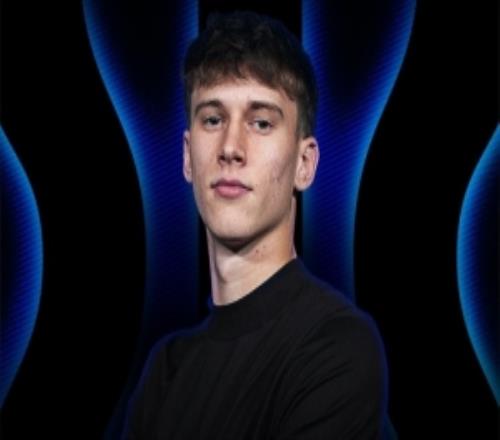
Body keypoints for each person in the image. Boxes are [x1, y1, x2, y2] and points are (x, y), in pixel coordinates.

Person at [122, 10, 388, 439]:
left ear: (305, 164)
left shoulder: (336, 345)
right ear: (188, 156)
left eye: (261, 123)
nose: (231, 147)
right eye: (213, 119)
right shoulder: (165, 371)